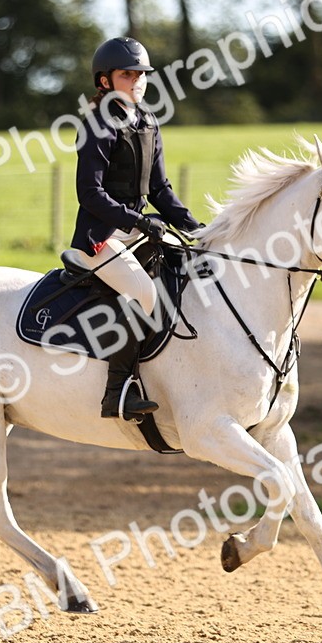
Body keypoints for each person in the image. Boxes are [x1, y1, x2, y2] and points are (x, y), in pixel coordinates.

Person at [71, 37, 202, 420]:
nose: (137, 81)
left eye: (141, 74)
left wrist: (194, 225)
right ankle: (117, 393)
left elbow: (159, 188)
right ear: (105, 81)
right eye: (127, 74)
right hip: (100, 240)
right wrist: (138, 221)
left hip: (139, 233)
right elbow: (89, 193)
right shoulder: (96, 124)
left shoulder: (147, 120)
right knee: (147, 295)